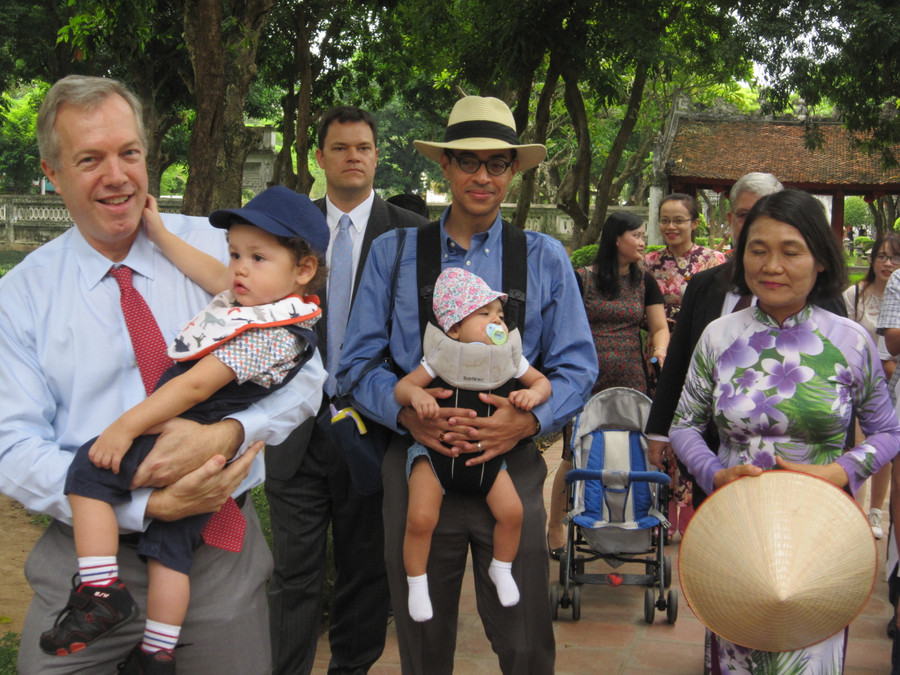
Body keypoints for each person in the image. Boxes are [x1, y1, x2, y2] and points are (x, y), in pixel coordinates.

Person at [0, 75, 325, 674]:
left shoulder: (227, 248)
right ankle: (103, 596)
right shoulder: (19, 298)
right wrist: (144, 505)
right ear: (52, 172)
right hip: (85, 553)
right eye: (90, 159)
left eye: (129, 152)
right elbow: (13, 447)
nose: (117, 175)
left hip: (216, 548)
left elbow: (306, 374)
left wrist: (229, 433)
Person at [336, 95, 596, 674]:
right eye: (468, 162)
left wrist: (526, 422)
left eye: (496, 163)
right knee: (423, 639)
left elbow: (578, 365)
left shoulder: (544, 258)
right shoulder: (394, 253)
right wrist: (407, 415)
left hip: (511, 466)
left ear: (512, 171)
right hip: (417, 463)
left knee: (526, 636)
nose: (482, 176)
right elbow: (355, 365)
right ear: (446, 167)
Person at [669, 188, 900, 674]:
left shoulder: (850, 341)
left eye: (790, 251)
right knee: (735, 655)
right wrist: (714, 474)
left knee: (810, 656)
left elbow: (888, 432)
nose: (771, 265)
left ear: (819, 259)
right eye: (758, 249)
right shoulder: (720, 336)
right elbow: (684, 426)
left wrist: (840, 472)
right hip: (737, 532)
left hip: (820, 534)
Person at [264, 106, 428, 674]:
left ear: (377, 155)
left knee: (366, 570)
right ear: (321, 158)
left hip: (374, 428)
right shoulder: (288, 232)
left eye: (363, 147)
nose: (352, 156)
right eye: (340, 147)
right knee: (292, 572)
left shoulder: (411, 234)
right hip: (294, 427)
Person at [395, 267, 552, 622]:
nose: (497, 320)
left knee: (513, 514)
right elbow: (403, 388)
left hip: (487, 455)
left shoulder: (510, 358)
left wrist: (531, 394)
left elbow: (542, 382)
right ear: (453, 328)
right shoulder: (441, 355)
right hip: (434, 455)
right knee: (420, 518)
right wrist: (416, 397)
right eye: (484, 314)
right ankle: (417, 583)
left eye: (499, 313)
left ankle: (501, 568)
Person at [645, 173, 786, 527]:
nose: (753, 224)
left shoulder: (816, 292)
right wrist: (660, 430)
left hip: (790, 459)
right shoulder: (705, 286)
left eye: (765, 213)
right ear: (730, 220)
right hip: (712, 451)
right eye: (743, 215)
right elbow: (680, 361)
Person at [546, 211, 668, 556]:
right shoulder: (582, 278)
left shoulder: (645, 282)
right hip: (585, 377)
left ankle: (629, 522)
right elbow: (563, 325)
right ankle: (556, 524)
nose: (643, 242)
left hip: (632, 376)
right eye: (638, 235)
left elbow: (659, 326)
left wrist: (660, 349)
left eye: (644, 236)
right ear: (617, 238)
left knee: (634, 450)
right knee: (576, 452)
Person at [844, 232, 900, 539]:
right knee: (859, 449)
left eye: (895, 257)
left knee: (886, 451)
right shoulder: (855, 294)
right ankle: (855, 513)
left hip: (892, 384)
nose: (887, 263)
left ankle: (876, 513)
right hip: (858, 383)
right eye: (881, 256)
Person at [644, 192, 726, 331]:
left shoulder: (712, 260)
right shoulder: (649, 261)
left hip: (697, 340)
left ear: (694, 223)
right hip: (659, 345)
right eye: (664, 220)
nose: (670, 226)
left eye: (678, 221)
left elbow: (719, 308)